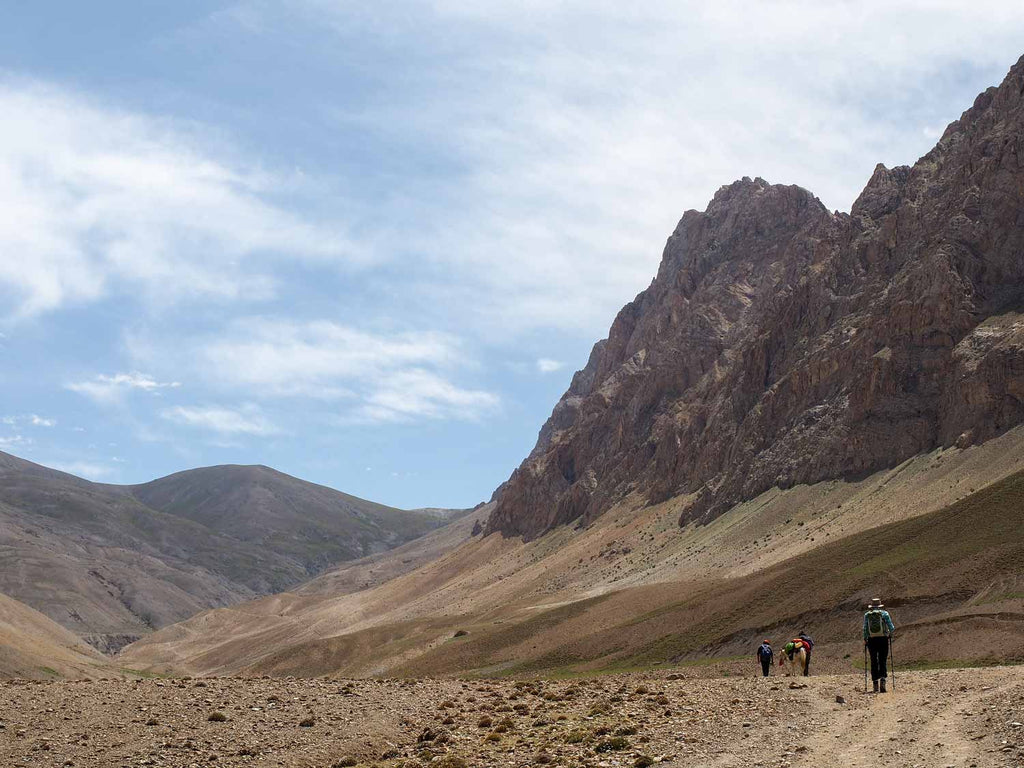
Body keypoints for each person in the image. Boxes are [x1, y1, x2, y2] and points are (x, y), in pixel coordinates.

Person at [863, 598, 895, 692]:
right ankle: (883, 681)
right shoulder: (884, 614)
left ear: (872, 606)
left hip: (871, 640)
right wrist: (889, 634)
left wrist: (865, 639)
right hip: (883, 639)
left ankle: (875, 684)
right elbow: (891, 627)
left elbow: (865, 628)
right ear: (880, 605)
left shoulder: (867, 615)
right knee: (882, 659)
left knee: (873, 660)